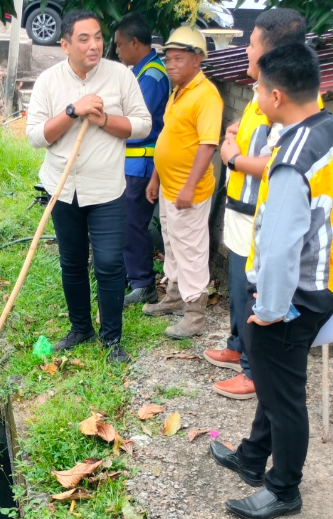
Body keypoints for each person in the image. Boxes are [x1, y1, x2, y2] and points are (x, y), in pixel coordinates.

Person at [208, 43, 333, 519]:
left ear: (276, 96)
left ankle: (284, 488)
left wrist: (269, 310)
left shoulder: (292, 160)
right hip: (328, 278)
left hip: (295, 295)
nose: (255, 97)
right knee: (277, 381)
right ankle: (253, 457)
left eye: (257, 89)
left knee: (286, 397)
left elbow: (278, 248)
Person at [25, 10, 152, 364]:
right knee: (72, 262)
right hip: (62, 187)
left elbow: (143, 125)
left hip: (106, 188)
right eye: (84, 39)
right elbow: (35, 136)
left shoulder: (120, 76)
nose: (94, 44)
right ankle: (81, 328)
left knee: (109, 263)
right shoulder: (49, 81)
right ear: (65, 45)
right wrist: (73, 111)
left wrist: (105, 119)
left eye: (98, 37)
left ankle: (112, 339)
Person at [206, 8, 308, 401]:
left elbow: (279, 162)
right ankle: (237, 346)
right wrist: (239, 133)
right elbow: (259, 140)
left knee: (253, 289)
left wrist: (233, 158)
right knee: (238, 285)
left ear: (270, 51)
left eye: (251, 44)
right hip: (241, 206)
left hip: (258, 213)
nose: (245, 50)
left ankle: (253, 370)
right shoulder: (259, 91)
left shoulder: (287, 99)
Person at [143, 26, 223, 339]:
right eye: (168, 59)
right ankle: (175, 296)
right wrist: (156, 178)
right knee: (172, 245)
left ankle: (195, 315)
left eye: (178, 59)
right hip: (169, 186)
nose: (170, 65)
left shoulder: (206, 96)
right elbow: (168, 137)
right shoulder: (179, 92)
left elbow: (207, 145)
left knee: (191, 250)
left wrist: (189, 186)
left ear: (197, 60)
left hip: (190, 190)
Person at [114, 12, 170, 307]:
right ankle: (129, 276)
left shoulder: (152, 76)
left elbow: (138, 123)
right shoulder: (141, 72)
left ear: (135, 42)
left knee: (134, 224)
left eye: (119, 45)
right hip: (132, 163)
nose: (117, 51)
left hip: (142, 163)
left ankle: (143, 284)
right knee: (126, 222)